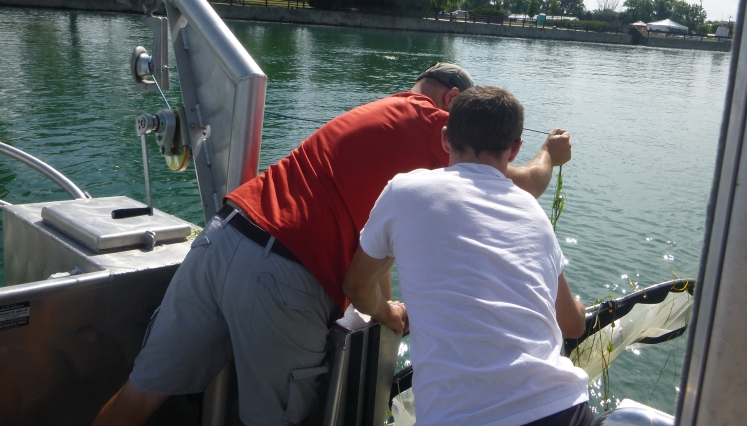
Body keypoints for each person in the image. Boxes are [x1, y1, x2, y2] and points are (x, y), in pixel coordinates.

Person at [94, 65, 572, 426]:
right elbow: (520, 183)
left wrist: (383, 305)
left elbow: (373, 242)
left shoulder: (377, 118)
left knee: (141, 393)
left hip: (225, 237)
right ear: (451, 102)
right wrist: (550, 152)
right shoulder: (432, 121)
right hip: (283, 273)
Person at [343, 85, 590, 426]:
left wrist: (387, 311)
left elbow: (356, 285)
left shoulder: (405, 191)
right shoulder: (531, 211)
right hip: (564, 409)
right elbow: (573, 324)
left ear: (446, 138)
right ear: (515, 149)